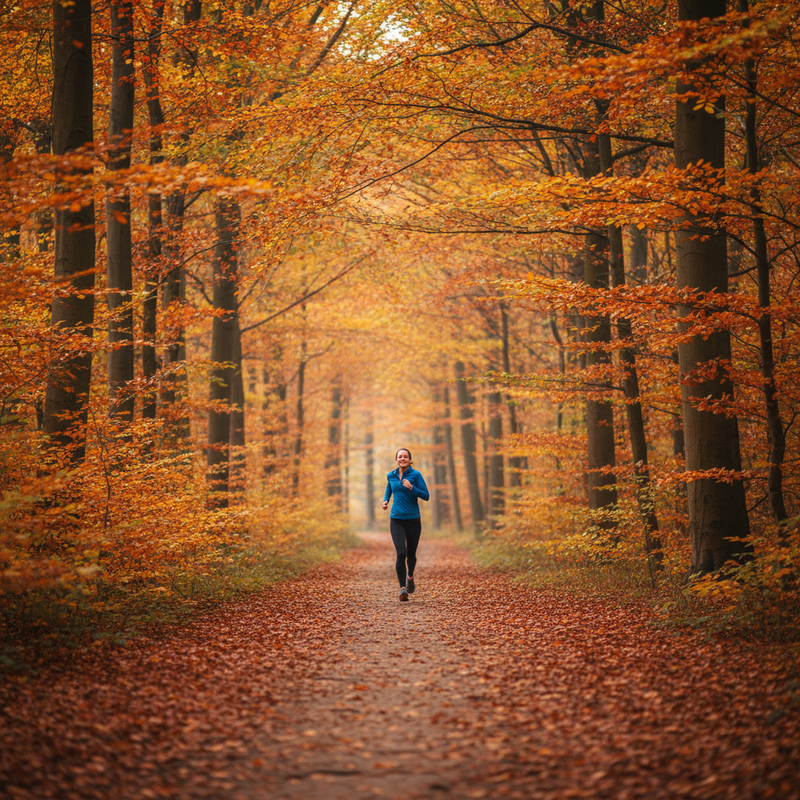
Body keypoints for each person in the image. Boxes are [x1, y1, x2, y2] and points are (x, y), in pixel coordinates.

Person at [382, 448, 430, 602]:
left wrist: (412, 488)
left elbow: (426, 496)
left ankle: (410, 577)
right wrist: (385, 500)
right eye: (400, 456)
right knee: (400, 553)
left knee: (411, 554)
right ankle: (402, 588)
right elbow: (389, 488)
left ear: (409, 459)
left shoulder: (416, 475)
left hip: (413, 520)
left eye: (405, 457)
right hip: (396, 519)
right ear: (396, 459)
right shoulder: (391, 475)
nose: (402, 459)